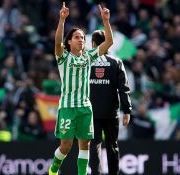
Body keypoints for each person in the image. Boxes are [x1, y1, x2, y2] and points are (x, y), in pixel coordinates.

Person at [48, 2, 113, 175]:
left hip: (85, 108)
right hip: (68, 107)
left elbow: (109, 42)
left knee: (85, 145)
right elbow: (56, 43)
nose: (81, 40)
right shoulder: (63, 57)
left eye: (83, 37)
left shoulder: (89, 56)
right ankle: (54, 168)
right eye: (77, 37)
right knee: (66, 146)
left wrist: (106, 21)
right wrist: (62, 20)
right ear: (69, 41)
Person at [89, 30, 132, 175]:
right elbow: (124, 88)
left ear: (93, 43)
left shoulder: (86, 62)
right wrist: (127, 110)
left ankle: (96, 174)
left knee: (94, 145)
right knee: (112, 145)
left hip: (92, 111)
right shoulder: (116, 62)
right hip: (111, 112)